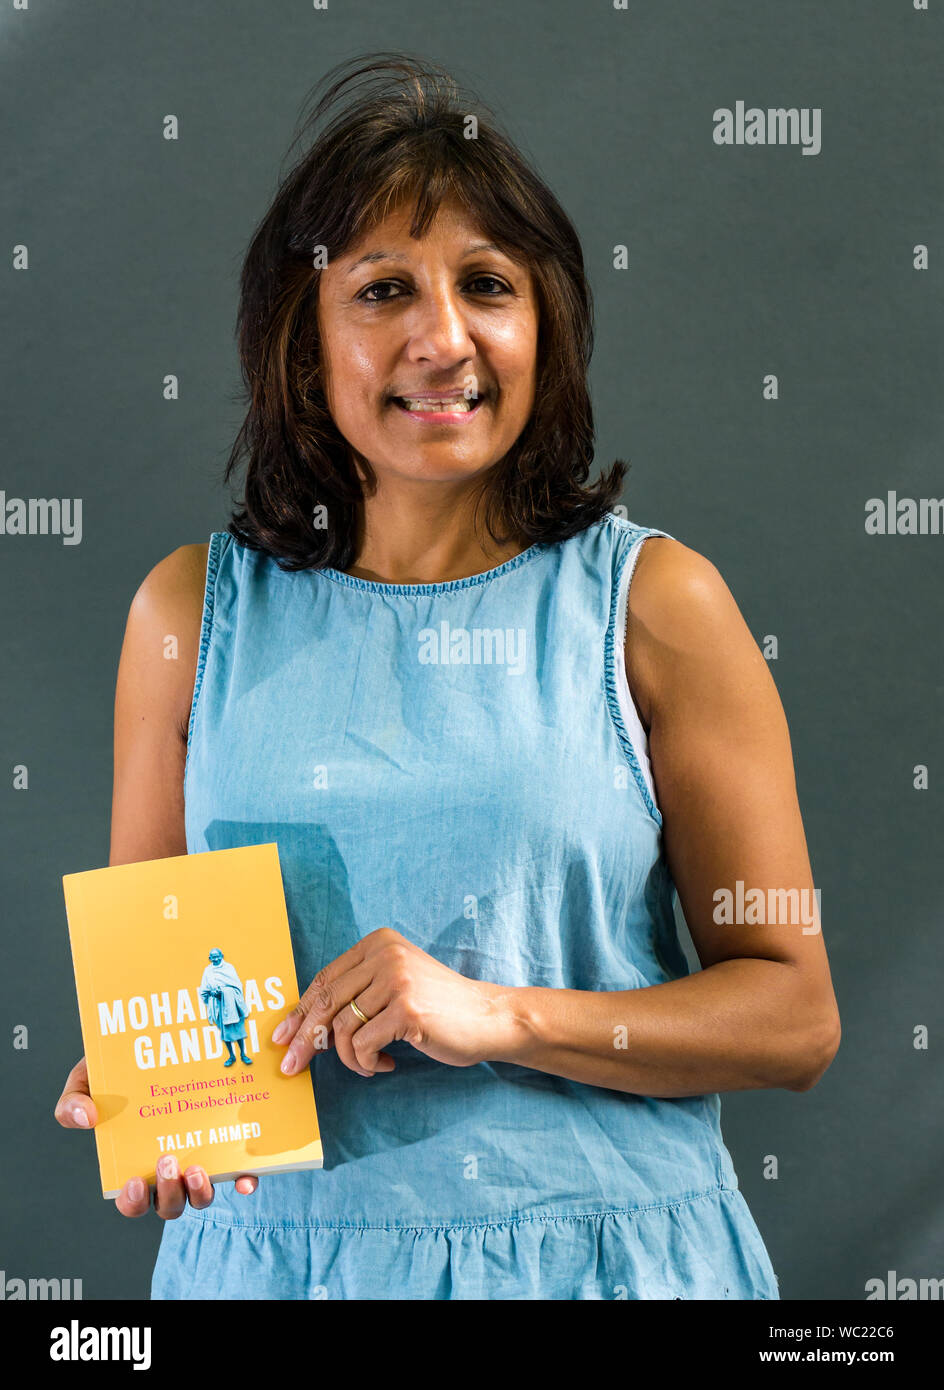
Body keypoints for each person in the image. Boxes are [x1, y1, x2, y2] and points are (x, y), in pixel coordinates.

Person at [54, 53, 840, 1300]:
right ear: (302, 347)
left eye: (487, 285)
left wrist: (501, 1012)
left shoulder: (658, 605)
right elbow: (156, 985)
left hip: (601, 1268)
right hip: (271, 1270)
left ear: (546, 327)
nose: (443, 337)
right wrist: (137, 1093)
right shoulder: (185, 614)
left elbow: (793, 1019)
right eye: (380, 290)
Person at [199, 949, 252, 1068]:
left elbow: (237, 985)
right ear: (209, 958)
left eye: (217, 956)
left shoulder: (229, 967)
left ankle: (243, 1054)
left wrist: (224, 992)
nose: (216, 959)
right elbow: (203, 990)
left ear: (222, 956)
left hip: (232, 1004)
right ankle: (231, 1056)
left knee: (238, 1031)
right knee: (225, 1033)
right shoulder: (207, 971)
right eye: (213, 957)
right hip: (219, 1005)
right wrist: (212, 994)